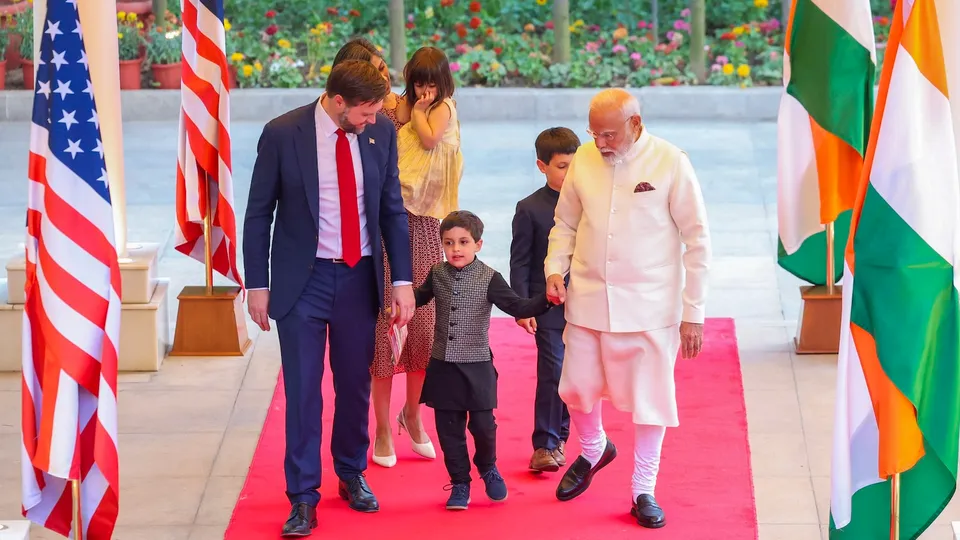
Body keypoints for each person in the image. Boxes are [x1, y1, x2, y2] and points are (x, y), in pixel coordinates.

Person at [242, 60, 416, 537]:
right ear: (338, 101)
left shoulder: (380, 132)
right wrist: (257, 284)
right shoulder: (283, 133)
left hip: (360, 279)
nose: (371, 120)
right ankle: (301, 497)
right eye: (364, 111)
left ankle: (351, 471)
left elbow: (392, 210)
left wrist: (402, 280)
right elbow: (259, 215)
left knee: (355, 386)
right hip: (304, 282)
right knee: (302, 391)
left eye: (377, 111)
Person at [544, 88, 711, 529]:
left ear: (636, 124)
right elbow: (565, 223)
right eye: (594, 133)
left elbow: (698, 241)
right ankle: (595, 449)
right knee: (575, 388)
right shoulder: (582, 158)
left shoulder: (671, 161)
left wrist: (693, 311)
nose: (601, 143)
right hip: (588, 297)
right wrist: (553, 268)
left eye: (609, 134)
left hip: (651, 305)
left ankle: (643, 488)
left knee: (651, 402)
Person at [409, 210, 557, 510]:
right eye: (448, 243)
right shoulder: (437, 273)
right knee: (449, 429)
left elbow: (518, 304)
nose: (456, 249)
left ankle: (488, 467)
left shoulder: (490, 277)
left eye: (463, 242)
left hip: (477, 366)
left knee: (483, 426)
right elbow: (419, 297)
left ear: (478, 244)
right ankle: (460, 482)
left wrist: (546, 299)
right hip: (443, 366)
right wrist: (394, 299)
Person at [370, 45, 463, 468]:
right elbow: (397, 122)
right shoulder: (394, 104)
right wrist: (403, 102)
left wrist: (422, 107)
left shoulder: (441, 108)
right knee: (384, 325)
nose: (423, 90)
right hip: (389, 220)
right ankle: (383, 427)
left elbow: (428, 138)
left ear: (443, 82)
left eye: (431, 83)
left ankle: (413, 414)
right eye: (417, 83)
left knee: (424, 326)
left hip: (425, 223)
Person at [509, 127, 581, 473]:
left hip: (588, 304)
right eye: (563, 166)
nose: (570, 173)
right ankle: (545, 444)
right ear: (542, 166)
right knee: (552, 370)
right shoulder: (530, 208)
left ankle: (562, 438)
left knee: (575, 374)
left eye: (575, 164)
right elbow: (520, 260)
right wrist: (523, 306)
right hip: (547, 305)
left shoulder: (591, 203)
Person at [332, 38, 403, 130]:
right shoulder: (356, 119)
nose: (383, 79)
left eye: (381, 67)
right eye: (373, 75)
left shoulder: (406, 101)